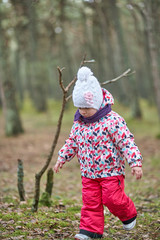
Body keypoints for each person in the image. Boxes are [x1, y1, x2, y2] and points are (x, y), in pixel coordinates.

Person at [54, 66, 143, 240]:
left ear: (97, 103)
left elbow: (126, 142)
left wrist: (135, 162)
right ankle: (90, 231)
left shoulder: (112, 120)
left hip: (111, 171)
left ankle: (128, 213)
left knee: (112, 199)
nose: (83, 111)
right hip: (88, 173)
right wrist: (62, 157)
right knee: (90, 203)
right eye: (79, 107)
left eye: (87, 107)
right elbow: (72, 141)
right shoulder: (79, 123)